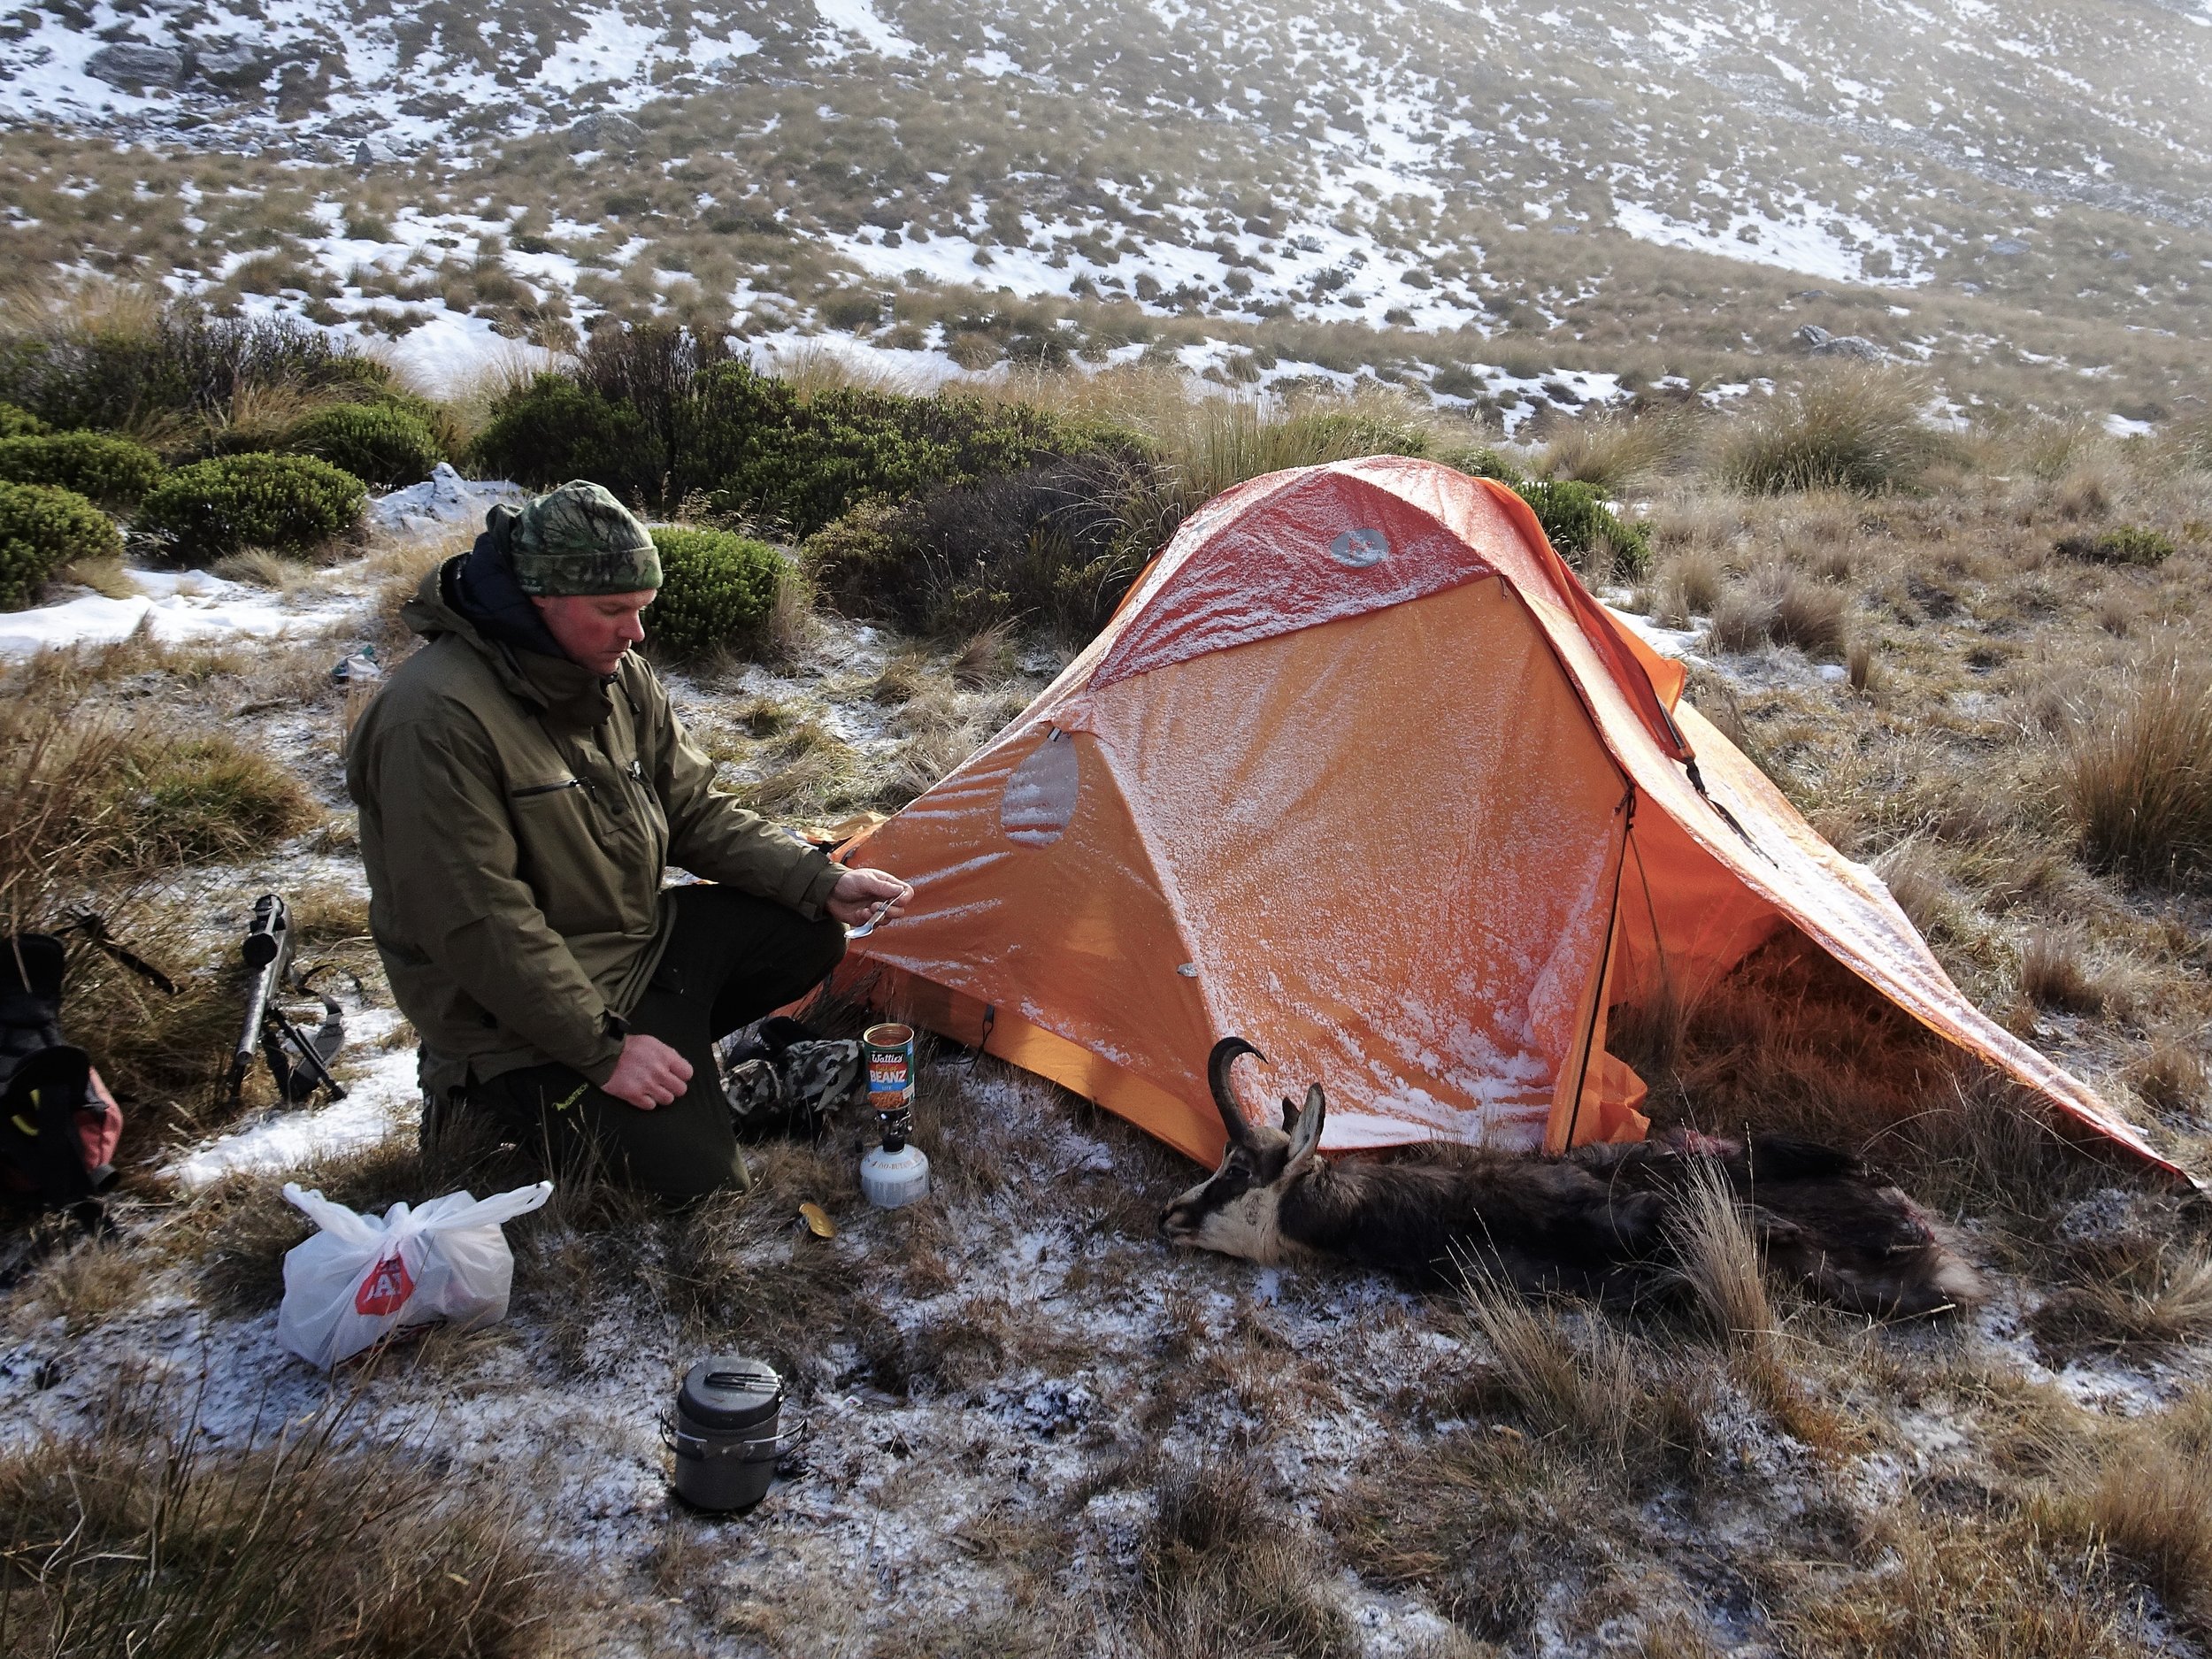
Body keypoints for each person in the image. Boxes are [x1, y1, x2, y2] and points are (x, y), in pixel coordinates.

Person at [345, 480, 911, 1197]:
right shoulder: (433, 720)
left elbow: (695, 810)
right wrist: (604, 1051)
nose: (635, 634)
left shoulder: (615, 675)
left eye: (641, 611)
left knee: (808, 929)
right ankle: (486, 1101)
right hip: (509, 1023)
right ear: (539, 599)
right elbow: (481, 923)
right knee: (703, 1182)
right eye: (614, 611)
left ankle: (669, 1056)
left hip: (634, 951)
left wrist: (819, 879)